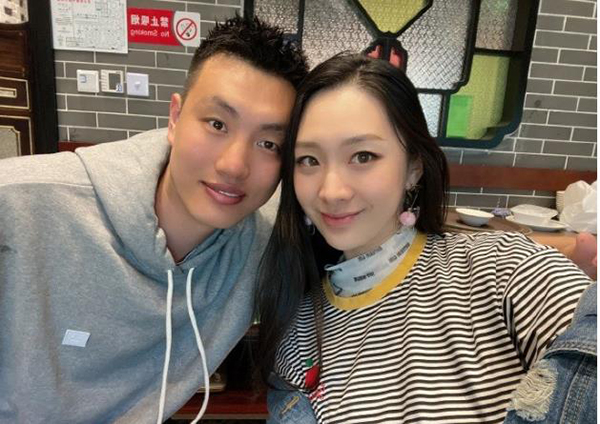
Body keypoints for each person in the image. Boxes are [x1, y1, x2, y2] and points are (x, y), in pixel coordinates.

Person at [255, 53, 594, 423]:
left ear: (413, 168)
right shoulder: (299, 326)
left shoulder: (503, 267)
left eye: (363, 156)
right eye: (308, 160)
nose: (331, 191)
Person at [0, 15, 307, 424]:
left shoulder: (270, 241)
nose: (234, 165)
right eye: (217, 124)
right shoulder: (20, 203)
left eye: (268, 143)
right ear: (175, 118)